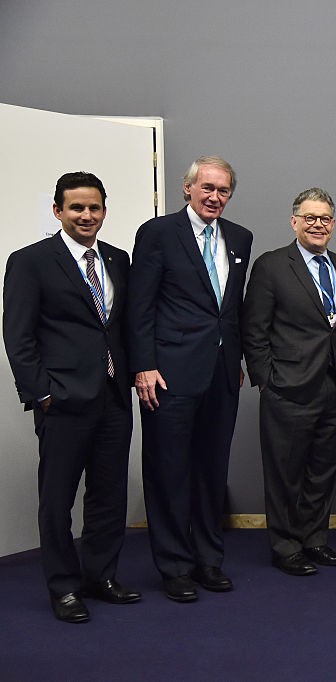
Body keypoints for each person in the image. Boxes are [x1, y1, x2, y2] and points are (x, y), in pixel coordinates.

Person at [3, 172, 139, 623]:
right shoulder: (31, 261)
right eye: (76, 208)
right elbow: (18, 337)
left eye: (94, 207)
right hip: (62, 401)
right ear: (58, 211)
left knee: (108, 494)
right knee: (57, 499)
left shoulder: (118, 260)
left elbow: (120, 327)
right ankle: (63, 587)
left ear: (104, 210)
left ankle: (100, 576)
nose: (86, 215)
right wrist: (41, 394)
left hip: (115, 398)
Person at [127, 156, 253, 602]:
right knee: (168, 471)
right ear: (188, 188)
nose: (215, 197)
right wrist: (143, 365)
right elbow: (139, 305)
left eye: (223, 191)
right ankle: (175, 567)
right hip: (168, 374)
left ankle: (208, 560)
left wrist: (236, 359)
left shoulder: (239, 238)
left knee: (210, 471)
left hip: (222, 376)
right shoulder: (158, 233)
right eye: (208, 188)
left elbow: (230, 310)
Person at [241, 188, 336, 576]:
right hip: (288, 387)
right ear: (294, 222)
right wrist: (266, 380)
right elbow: (253, 328)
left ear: (333, 224)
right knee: (285, 472)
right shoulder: (272, 265)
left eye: (324, 218)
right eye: (310, 218)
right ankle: (286, 546)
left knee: (323, 470)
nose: (317, 225)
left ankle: (315, 540)